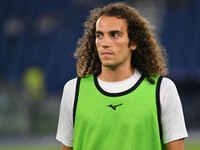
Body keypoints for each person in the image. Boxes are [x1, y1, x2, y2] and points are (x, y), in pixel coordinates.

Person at [56, 2, 188, 150]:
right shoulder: (74, 90)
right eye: (99, 35)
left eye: (115, 35)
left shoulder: (162, 89)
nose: (105, 43)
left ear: (133, 43)